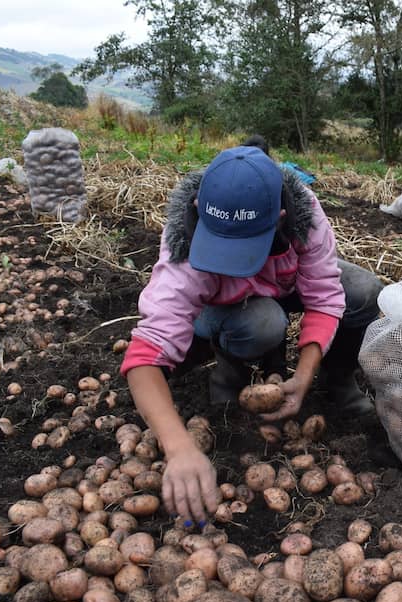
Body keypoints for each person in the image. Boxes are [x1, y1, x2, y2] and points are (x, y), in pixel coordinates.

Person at [120, 141, 383, 523]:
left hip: (283, 282)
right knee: (263, 322)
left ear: (278, 217)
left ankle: (338, 383)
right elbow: (146, 353)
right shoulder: (185, 245)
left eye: (244, 247)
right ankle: (228, 377)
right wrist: (178, 446)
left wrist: (303, 377)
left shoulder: (303, 215)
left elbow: (325, 298)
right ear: (198, 210)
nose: (235, 260)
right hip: (224, 308)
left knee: (362, 290)